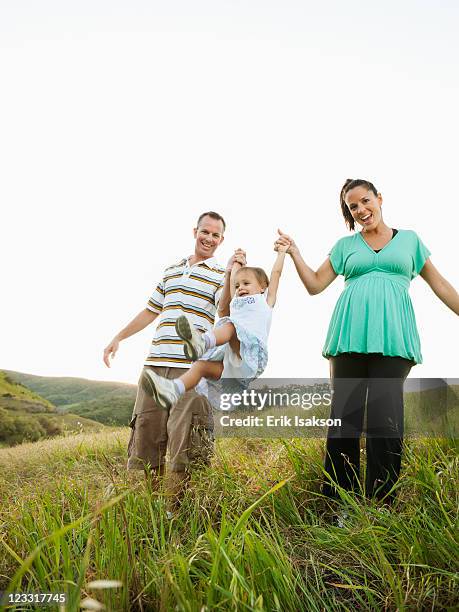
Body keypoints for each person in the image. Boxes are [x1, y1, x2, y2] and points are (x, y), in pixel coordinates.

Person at [275, 178, 459, 503]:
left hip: (394, 339)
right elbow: (316, 284)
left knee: (385, 419)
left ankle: (379, 505)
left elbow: (441, 285)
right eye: (353, 206)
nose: (361, 209)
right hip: (348, 336)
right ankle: (340, 504)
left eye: (365, 201)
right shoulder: (345, 246)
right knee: (344, 419)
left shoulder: (410, 241)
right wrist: (294, 253)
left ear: (379, 199)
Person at [103, 211, 245, 509]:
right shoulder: (171, 270)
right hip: (155, 365)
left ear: (222, 240)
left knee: (185, 444)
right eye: (205, 232)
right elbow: (151, 311)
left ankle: (174, 511)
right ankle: (154, 510)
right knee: (147, 439)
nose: (209, 238)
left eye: (215, 235)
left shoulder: (221, 275)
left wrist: (233, 273)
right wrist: (119, 337)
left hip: (191, 370)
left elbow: (225, 310)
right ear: (195, 231)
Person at [141, 244, 290, 410]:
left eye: (246, 283)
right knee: (200, 366)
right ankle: (172, 389)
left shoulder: (266, 302)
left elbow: (276, 274)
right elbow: (234, 278)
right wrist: (236, 262)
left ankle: (202, 342)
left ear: (263, 286)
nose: (240, 288)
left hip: (251, 358)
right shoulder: (237, 304)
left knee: (231, 325)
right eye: (237, 286)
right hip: (232, 365)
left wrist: (282, 253)